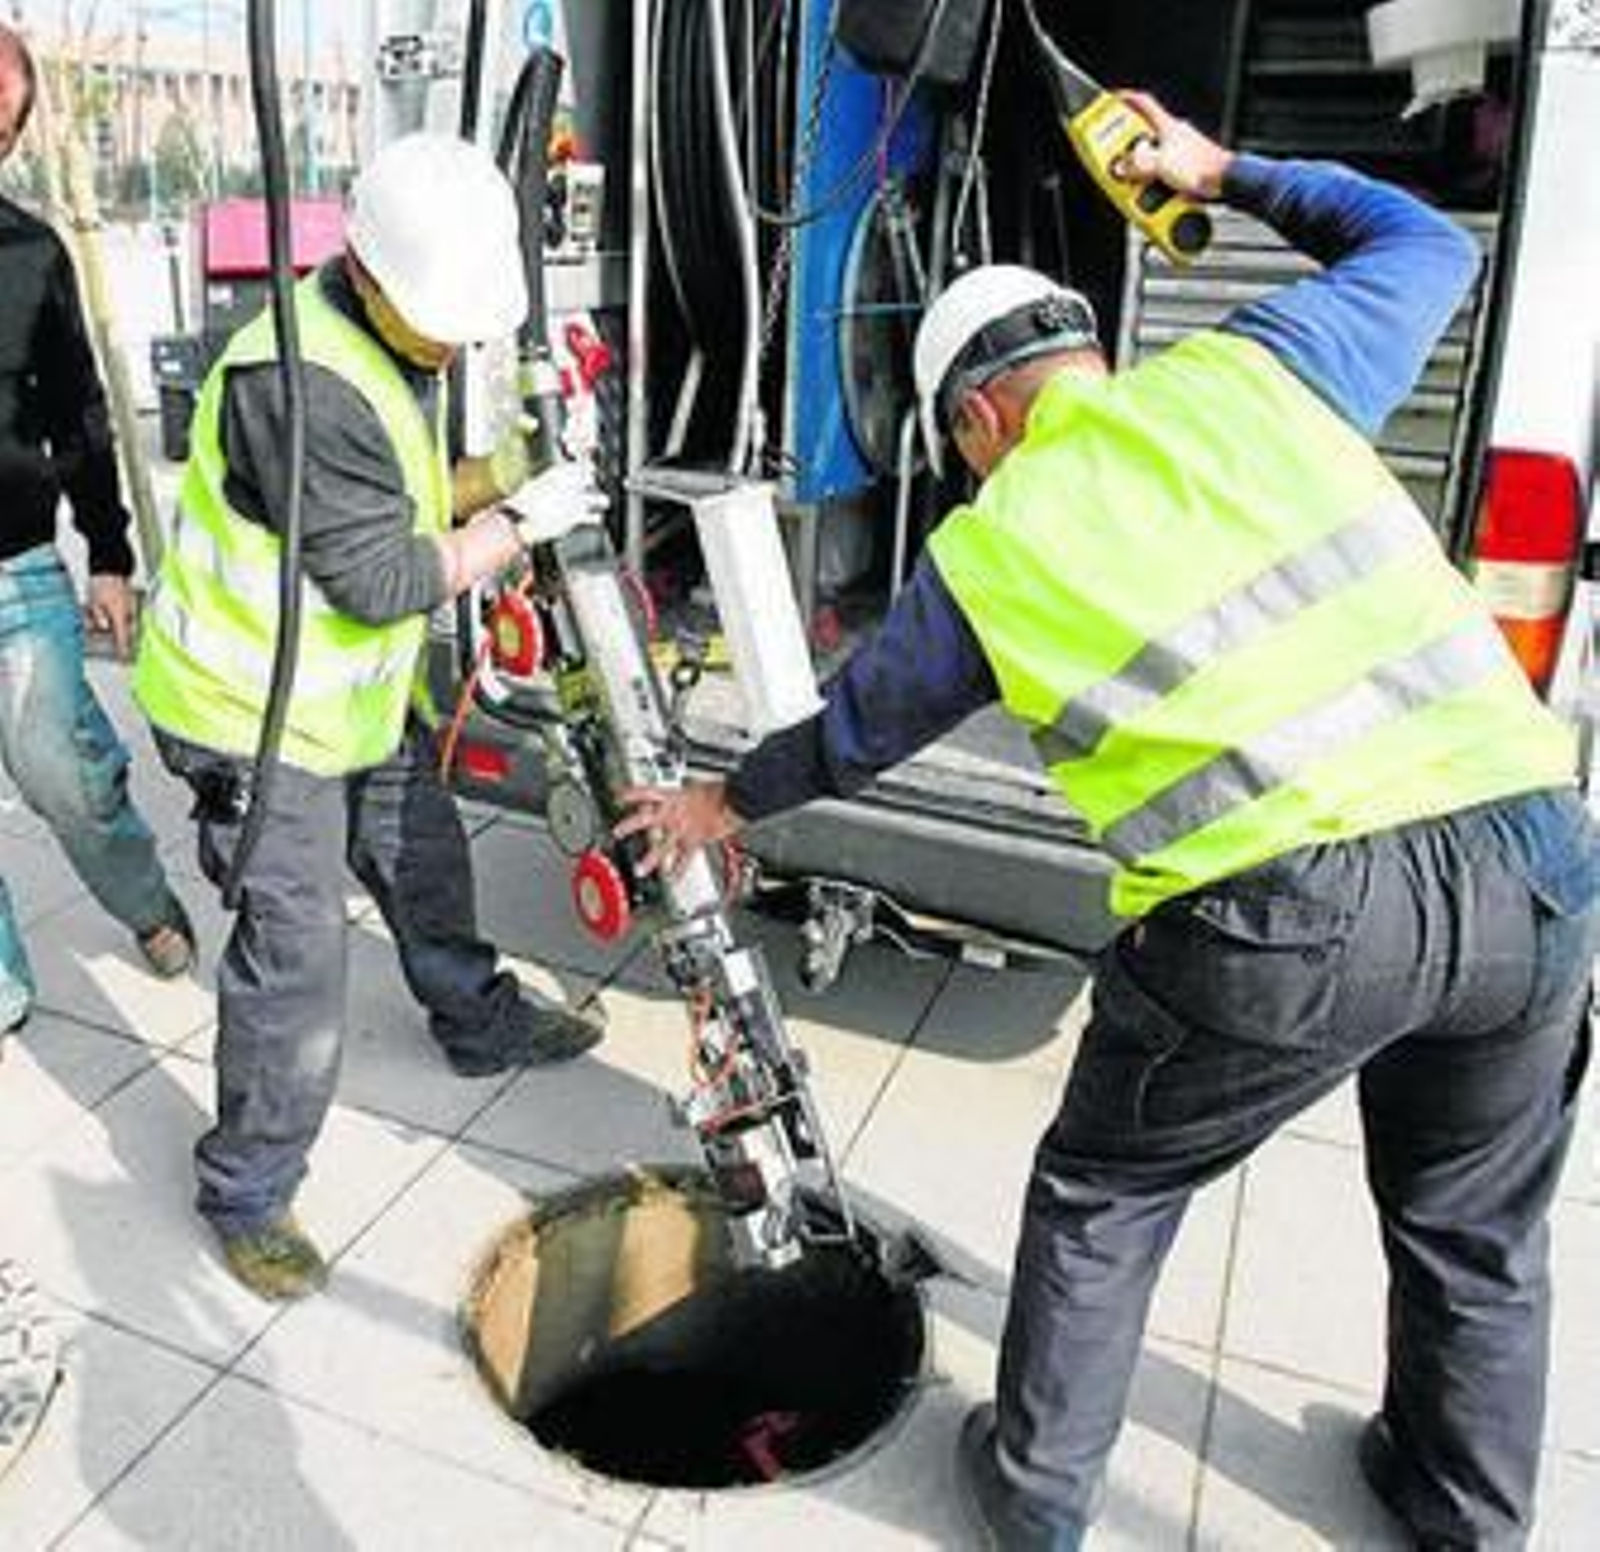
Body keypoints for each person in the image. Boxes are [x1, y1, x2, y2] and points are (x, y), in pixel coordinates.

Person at [618, 95, 1600, 1549]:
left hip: (1290, 909)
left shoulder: (993, 541)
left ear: (976, 417)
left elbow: (855, 734)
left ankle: (1033, 1501)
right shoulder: (1260, 372)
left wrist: (717, 799)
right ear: (1085, 354)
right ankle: (1464, 1512)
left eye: (957, 449)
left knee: (1103, 1197)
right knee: (1473, 1231)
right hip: (1535, 860)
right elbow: (1416, 244)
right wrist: (1224, 171)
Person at [133, 131, 607, 1302]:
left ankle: (476, 1018)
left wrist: (500, 475)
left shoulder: (385, 342)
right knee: (296, 966)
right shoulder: (292, 382)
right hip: (247, 712)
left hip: (342, 696)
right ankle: (247, 1189)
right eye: (438, 318)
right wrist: (520, 528)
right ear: (376, 277)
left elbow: (386, 504)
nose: (452, 341)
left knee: (422, 848)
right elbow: (381, 576)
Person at [0, 23, 194, 1038]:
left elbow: (80, 414)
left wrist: (111, 555)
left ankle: (142, 898)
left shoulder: (34, 253)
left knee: (61, 775)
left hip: (17, 567)